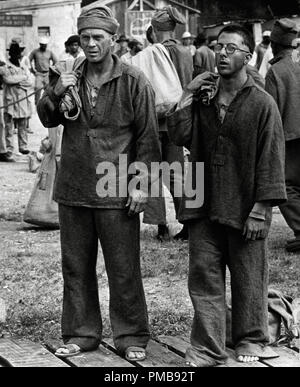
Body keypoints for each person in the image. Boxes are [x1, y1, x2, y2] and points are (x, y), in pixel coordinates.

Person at [37, 5, 161, 361]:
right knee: (76, 267)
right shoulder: (68, 76)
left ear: (114, 40)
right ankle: (80, 333)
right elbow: (47, 116)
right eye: (85, 38)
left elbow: (148, 139)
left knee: (124, 269)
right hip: (74, 188)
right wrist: (57, 90)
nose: (90, 45)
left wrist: (140, 184)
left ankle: (132, 335)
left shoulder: (134, 81)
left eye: (98, 38)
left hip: (116, 190)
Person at [167, 24, 286, 367]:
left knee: (249, 275)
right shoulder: (204, 99)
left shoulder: (262, 103)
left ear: (248, 57)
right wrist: (188, 94)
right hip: (204, 201)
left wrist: (261, 209)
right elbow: (179, 135)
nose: (222, 53)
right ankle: (207, 347)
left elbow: (271, 158)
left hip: (246, 203)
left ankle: (251, 339)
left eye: (231, 49)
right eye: (219, 47)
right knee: (204, 276)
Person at [143, 6, 194, 241]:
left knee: (151, 172)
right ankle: (189, 223)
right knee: (178, 173)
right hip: (178, 123)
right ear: (173, 29)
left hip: (152, 123)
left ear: (154, 29)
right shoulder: (185, 53)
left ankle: (161, 226)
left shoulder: (149, 53)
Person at [265, 19, 300, 253]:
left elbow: (270, 111)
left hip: (290, 136)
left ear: (275, 44)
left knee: (285, 185)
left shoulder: (275, 71)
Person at [0, 43, 33, 160]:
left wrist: (19, 80)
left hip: (22, 100)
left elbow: (30, 82)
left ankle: (23, 147)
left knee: (22, 124)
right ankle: (9, 149)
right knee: (9, 125)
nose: (17, 55)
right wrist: (22, 79)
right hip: (11, 99)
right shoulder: (4, 67)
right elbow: (8, 80)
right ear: (10, 54)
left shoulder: (23, 66)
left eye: (18, 53)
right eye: (15, 53)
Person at [29, 37, 58, 105]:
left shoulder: (49, 52)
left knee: (49, 90)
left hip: (47, 74)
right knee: (37, 89)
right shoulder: (35, 52)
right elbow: (28, 60)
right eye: (42, 44)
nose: (44, 46)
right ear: (40, 44)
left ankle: (48, 104)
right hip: (39, 74)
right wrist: (32, 70)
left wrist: (52, 70)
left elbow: (55, 61)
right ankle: (37, 104)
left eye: (45, 44)